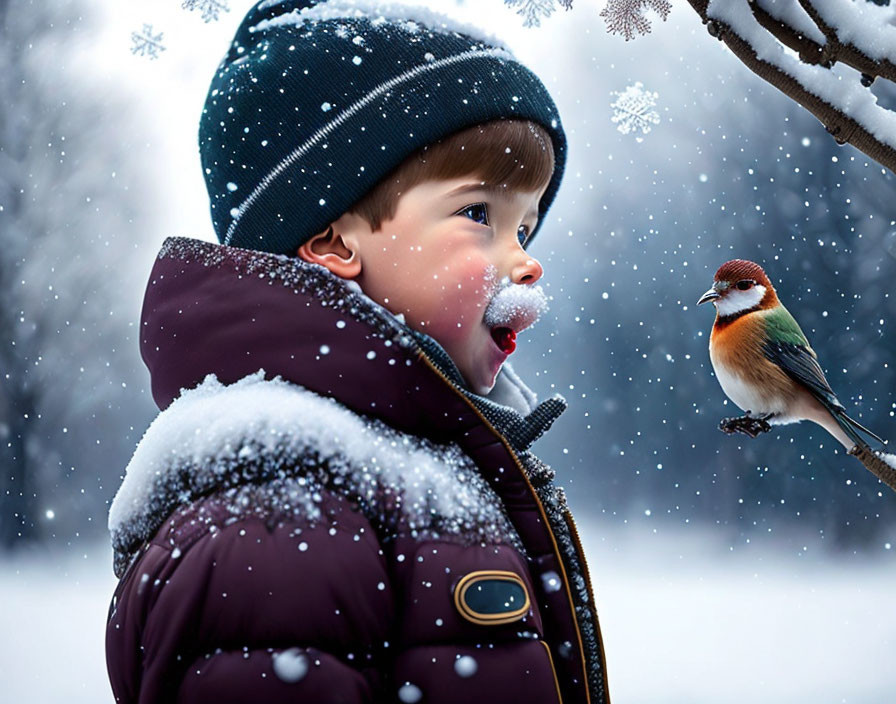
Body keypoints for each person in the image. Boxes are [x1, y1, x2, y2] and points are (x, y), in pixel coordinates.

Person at [105, 1, 610, 702]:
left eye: (525, 227)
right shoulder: (278, 513)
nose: (525, 265)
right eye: (479, 215)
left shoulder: (416, 463)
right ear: (335, 239)